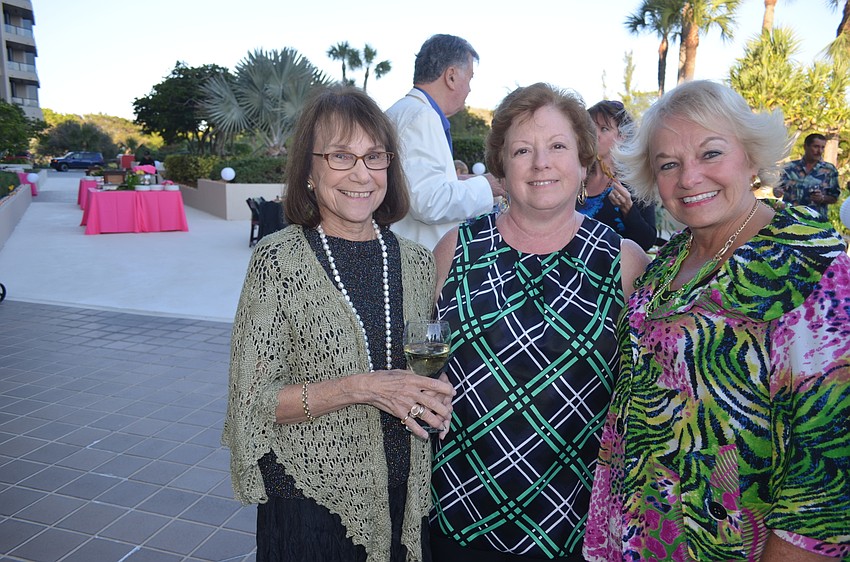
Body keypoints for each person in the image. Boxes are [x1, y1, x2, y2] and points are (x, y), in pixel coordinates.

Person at [584, 80, 850, 561]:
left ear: (750, 156)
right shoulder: (669, 260)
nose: (689, 178)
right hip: (640, 537)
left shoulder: (809, 262)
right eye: (669, 164)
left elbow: (830, 470)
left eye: (710, 153)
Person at [222, 86, 456, 562]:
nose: (361, 174)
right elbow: (252, 404)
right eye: (340, 156)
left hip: (402, 498)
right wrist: (361, 388)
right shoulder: (279, 261)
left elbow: (415, 364)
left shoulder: (414, 262)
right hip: (311, 502)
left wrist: (431, 392)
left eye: (375, 157)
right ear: (309, 170)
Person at [429, 82, 650, 561]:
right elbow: (420, 361)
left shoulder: (625, 262)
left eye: (557, 147)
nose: (541, 163)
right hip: (459, 518)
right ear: (502, 166)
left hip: (576, 527)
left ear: (584, 161)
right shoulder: (454, 249)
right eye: (522, 150)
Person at [386, 34, 505, 250]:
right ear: (451, 76)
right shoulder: (422, 116)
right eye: (469, 78)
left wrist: (461, 181)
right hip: (418, 259)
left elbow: (411, 187)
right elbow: (427, 201)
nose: (469, 89)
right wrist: (486, 185)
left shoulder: (402, 111)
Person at [577, 100, 657, 251]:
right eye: (591, 128)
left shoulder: (635, 181)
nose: (595, 135)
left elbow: (647, 241)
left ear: (623, 136)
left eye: (604, 129)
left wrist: (628, 208)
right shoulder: (577, 177)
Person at [774, 132, 840, 220]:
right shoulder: (789, 168)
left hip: (816, 222)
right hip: (790, 220)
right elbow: (777, 190)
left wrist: (822, 198)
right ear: (805, 147)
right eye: (816, 146)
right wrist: (777, 192)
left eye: (822, 147)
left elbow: (834, 197)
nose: (819, 151)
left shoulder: (829, 170)